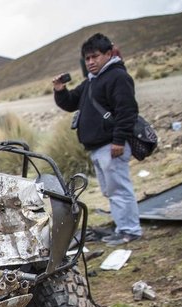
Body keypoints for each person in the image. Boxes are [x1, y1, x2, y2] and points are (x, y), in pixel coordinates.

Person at [53, 33, 142, 246]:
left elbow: (127, 111)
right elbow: (71, 102)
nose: (91, 62)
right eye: (87, 58)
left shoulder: (117, 77)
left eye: (95, 57)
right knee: (111, 190)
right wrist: (60, 90)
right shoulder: (92, 81)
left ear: (108, 54)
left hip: (111, 146)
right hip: (99, 148)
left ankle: (130, 231)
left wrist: (119, 141)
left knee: (119, 189)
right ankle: (123, 228)